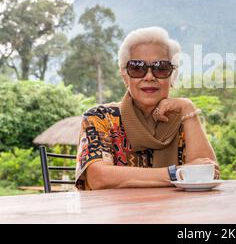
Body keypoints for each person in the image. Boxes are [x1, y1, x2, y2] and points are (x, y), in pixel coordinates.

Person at [74, 26, 219, 190]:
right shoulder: (101, 117)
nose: (149, 76)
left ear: (173, 76)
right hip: (115, 214)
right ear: (124, 75)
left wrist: (188, 107)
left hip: (174, 213)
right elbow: (99, 177)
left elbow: (209, 173)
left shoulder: (183, 121)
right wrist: (177, 174)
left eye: (161, 68)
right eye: (137, 67)